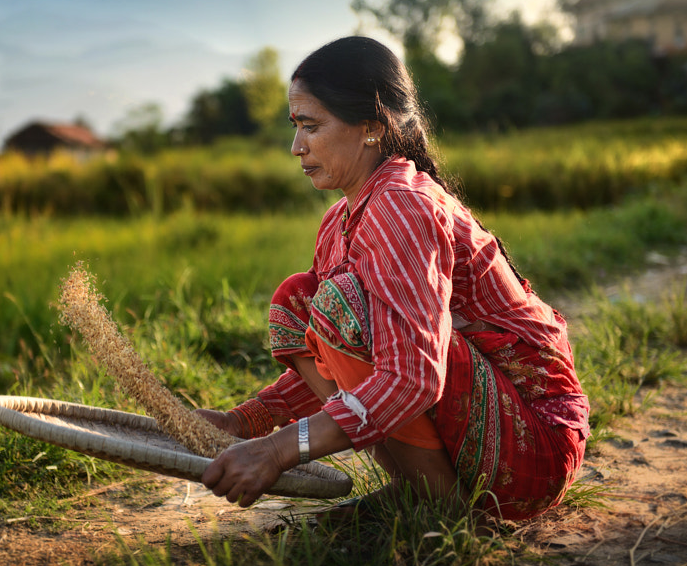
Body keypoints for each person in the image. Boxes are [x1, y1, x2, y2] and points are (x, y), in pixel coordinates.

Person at [197, 36, 589, 523]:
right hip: (483, 421)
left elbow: (413, 377)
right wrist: (243, 422)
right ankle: (417, 491)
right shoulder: (344, 216)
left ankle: (446, 514)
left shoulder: (401, 205)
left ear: (371, 128)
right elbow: (337, 357)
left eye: (311, 126)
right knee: (301, 300)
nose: (296, 147)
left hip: (532, 445)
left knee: (340, 306)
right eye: (295, 127)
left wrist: (277, 451)